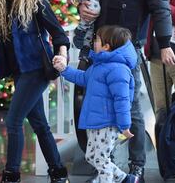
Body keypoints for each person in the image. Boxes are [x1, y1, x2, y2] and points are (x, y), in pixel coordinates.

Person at [79, 0, 175, 181]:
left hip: (126, 47)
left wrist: (165, 43)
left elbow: (160, 7)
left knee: (130, 107)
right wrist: (82, 6)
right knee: (98, 102)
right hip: (100, 45)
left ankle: (136, 168)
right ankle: (106, 166)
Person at [0, 0, 70, 183]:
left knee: (13, 121)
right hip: (18, 72)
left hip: (37, 69)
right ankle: (58, 172)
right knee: (40, 125)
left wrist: (62, 56)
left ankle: (11, 175)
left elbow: (59, 34)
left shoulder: (35, 1)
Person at [53, 25, 139, 183]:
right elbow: (83, 78)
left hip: (107, 123)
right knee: (92, 156)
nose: (93, 43)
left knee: (100, 159)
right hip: (96, 121)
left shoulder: (118, 70)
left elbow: (122, 100)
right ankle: (126, 179)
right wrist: (64, 69)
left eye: (97, 40)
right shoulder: (99, 66)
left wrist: (125, 125)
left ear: (107, 46)